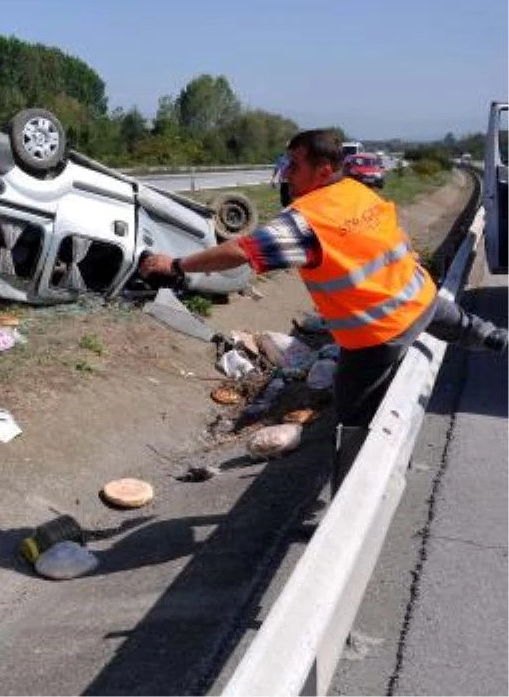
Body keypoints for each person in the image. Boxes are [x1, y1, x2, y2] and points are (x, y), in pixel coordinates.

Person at [139, 128, 508, 491]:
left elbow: (242, 252)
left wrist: (175, 265)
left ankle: (351, 498)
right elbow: (399, 238)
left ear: (324, 170)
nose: (286, 172)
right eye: (286, 162)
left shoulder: (307, 221)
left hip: (377, 335)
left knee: (352, 418)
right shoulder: (357, 191)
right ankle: (497, 340)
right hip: (421, 300)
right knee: (459, 322)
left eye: (295, 165)